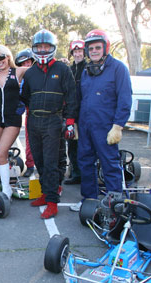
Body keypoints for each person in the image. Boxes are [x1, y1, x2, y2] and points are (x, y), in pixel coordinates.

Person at [71, 29, 132, 212]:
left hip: (106, 127)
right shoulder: (86, 71)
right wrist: (74, 122)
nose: (94, 51)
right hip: (86, 126)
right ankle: (88, 200)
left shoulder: (118, 68)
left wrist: (118, 126)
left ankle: (115, 204)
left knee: (109, 164)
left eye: (98, 47)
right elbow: (80, 98)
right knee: (85, 163)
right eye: (91, 48)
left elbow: (125, 98)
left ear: (105, 48)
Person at [21, 29, 78, 219]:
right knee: (39, 161)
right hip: (34, 121)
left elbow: (72, 97)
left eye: (46, 47)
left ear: (52, 48)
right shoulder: (30, 73)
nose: (43, 50)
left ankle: (52, 202)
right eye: (39, 47)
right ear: (34, 49)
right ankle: (45, 193)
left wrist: (69, 122)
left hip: (54, 121)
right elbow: (25, 98)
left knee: (52, 163)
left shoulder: (63, 70)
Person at [0, 45, 29, 199]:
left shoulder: (19, 71)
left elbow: (39, 68)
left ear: (8, 57)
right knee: (2, 155)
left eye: (1, 57)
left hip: (13, 118)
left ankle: (6, 190)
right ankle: (6, 184)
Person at [64, 40, 86, 186]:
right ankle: (76, 173)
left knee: (86, 146)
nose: (78, 54)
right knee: (72, 145)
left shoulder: (89, 68)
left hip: (85, 114)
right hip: (71, 114)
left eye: (80, 52)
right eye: (75, 52)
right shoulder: (69, 70)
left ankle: (86, 175)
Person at [15, 48, 35, 178]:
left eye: (28, 62)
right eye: (23, 64)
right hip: (30, 112)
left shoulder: (43, 73)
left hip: (47, 113)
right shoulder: (21, 80)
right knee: (30, 141)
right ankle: (30, 165)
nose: (26, 66)